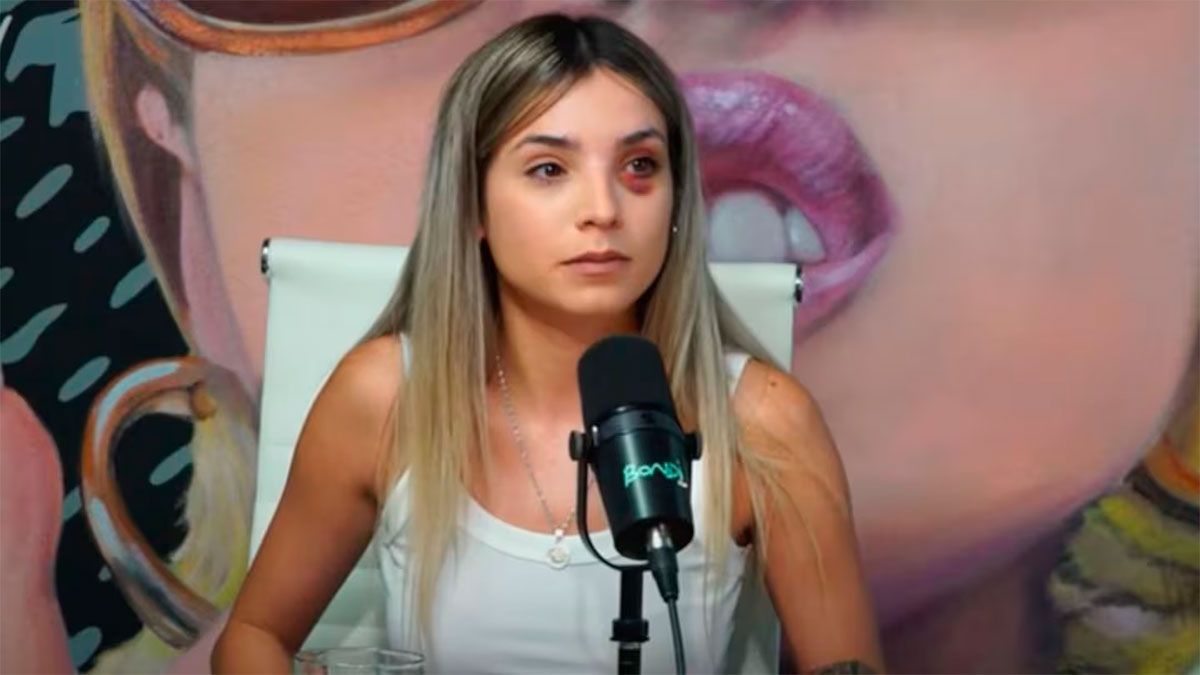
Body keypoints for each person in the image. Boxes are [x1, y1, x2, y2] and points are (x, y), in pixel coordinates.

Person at [211, 14, 882, 674]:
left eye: (640, 165)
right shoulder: (385, 397)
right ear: (472, 205)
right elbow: (253, 635)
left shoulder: (761, 419)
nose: (603, 210)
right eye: (549, 169)